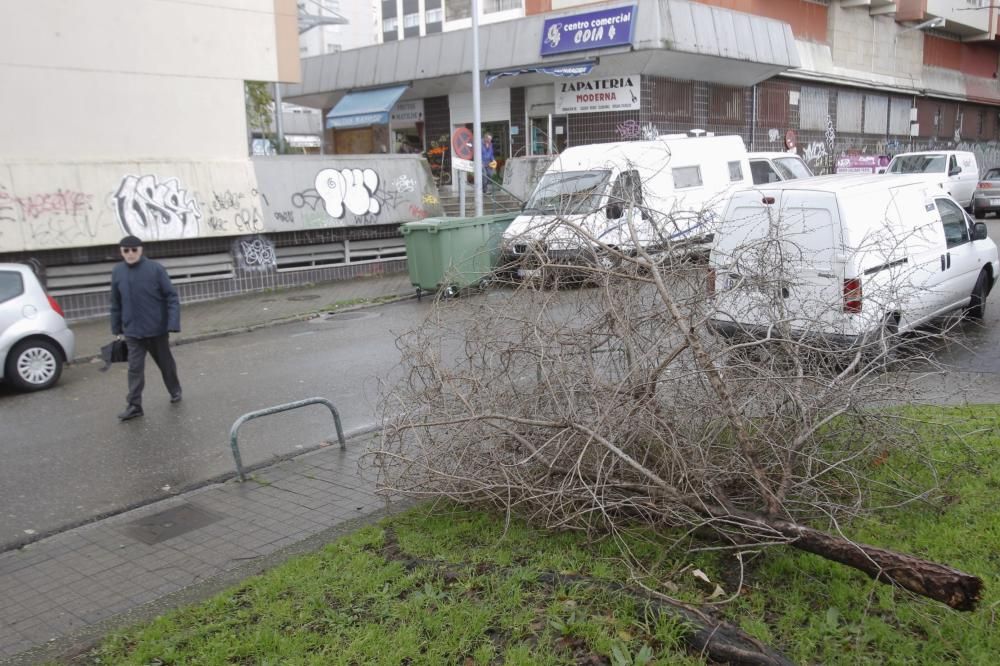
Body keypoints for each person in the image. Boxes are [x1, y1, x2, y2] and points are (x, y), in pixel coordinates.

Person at [110, 235, 182, 421]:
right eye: (126, 250)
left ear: (141, 250)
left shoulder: (155, 269)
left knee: (166, 365)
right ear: (121, 252)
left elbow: (171, 297)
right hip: (133, 332)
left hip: (156, 330)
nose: (130, 254)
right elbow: (115, 303)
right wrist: (116, 328)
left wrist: (172, 323)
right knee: (134, 369)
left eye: (134, 250)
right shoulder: (118, 272)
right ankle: (134, 406)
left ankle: (175, 390)